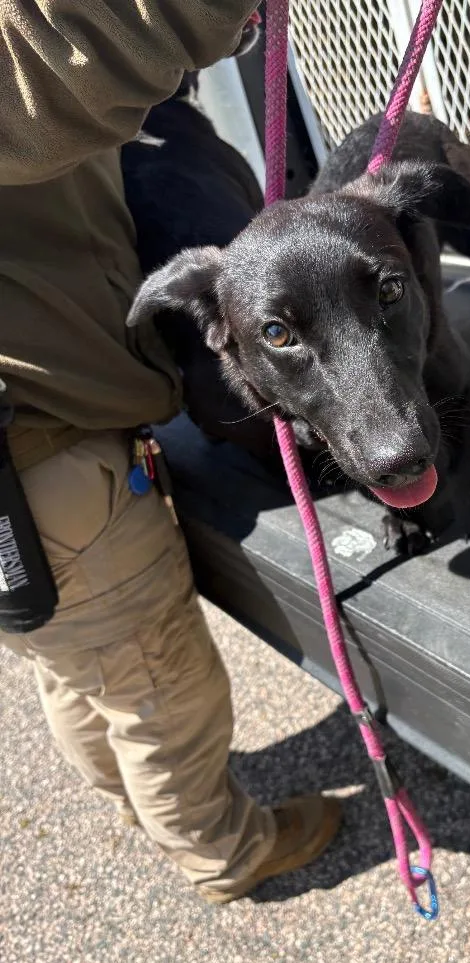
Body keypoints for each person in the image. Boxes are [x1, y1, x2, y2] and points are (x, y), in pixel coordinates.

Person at [0, 1, 341, 904]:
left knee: (80, 671)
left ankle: (141, 807)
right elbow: (51, 55)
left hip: (25, 483)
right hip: (47, 463)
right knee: (160, 688)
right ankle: (225, 852)